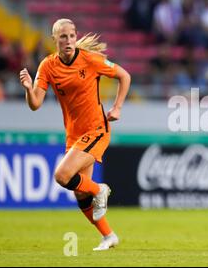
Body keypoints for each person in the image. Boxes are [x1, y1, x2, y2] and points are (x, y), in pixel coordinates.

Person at [19, 18, 131, 251]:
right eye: (63, 37)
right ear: (55, 40)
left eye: (71, 36)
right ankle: (108, 236)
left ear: (75, 36)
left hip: (96, 130)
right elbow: (35, 104)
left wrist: (117, 107)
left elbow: (124, 76)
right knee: (80, 193)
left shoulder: (90, 60)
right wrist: (29, 90)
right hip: (74, 135)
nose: (68, 40)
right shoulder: (47, 66)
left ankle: (100, 189)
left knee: (62, 175)